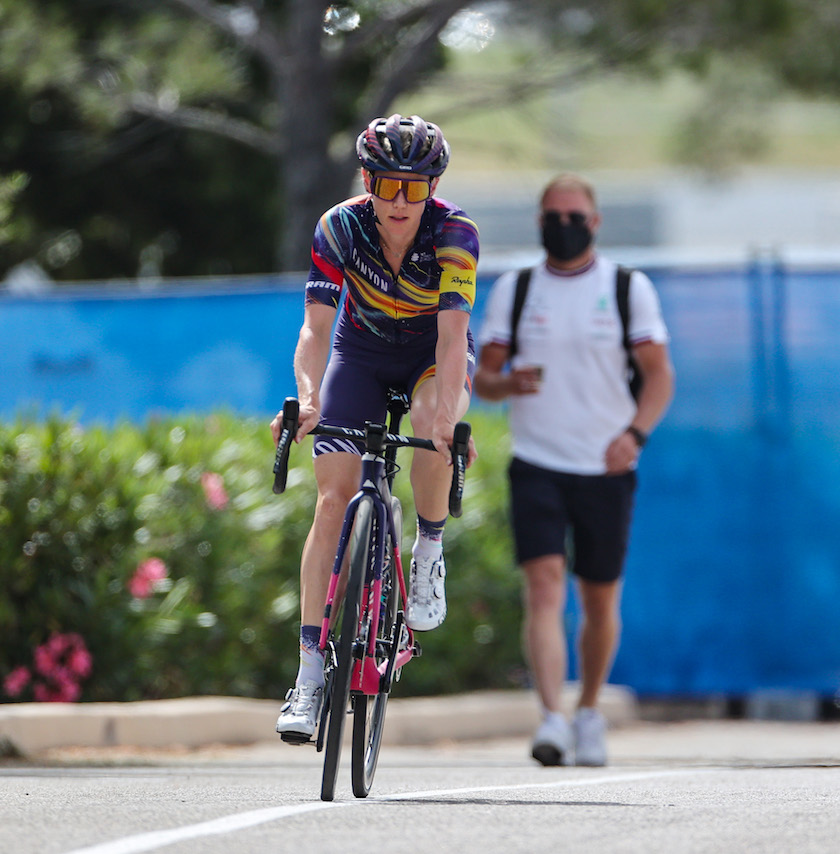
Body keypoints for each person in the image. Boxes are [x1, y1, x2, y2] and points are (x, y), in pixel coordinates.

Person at [272, 114, 479, 740]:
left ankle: (429, 550)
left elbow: (452, 334)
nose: (397, 201)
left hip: (427, 356)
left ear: (432, 189)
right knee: (332, 502)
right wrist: (308, 398)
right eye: (385, 184)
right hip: (358, 354)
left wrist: (445, 417)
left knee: (430, 417)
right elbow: (314, 328)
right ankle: (309, 677)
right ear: (367, 180)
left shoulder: (456, 233)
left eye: (413, 189)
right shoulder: (340, 226)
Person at [473, 173, 675, 767]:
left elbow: (660, 374)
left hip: (605, 465)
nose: (564, 226)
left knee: (599, 598)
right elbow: (482, 378)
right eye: (553, 216)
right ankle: (551, 718)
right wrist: (505, 382)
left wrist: (634, 435)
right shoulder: (516, 289)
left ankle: (588, 710)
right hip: (536, 460)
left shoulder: (624, 288)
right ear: (538, 223)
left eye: (575, 216)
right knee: (542, 584)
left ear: (595, 221)